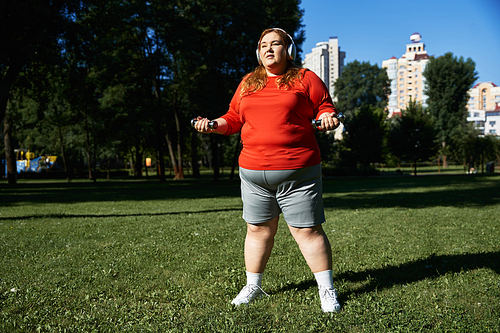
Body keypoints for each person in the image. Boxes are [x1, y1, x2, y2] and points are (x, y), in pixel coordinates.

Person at [193, 28, 341, 313]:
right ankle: (254, 286)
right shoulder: (249, 82)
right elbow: (233, 118)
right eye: (263, 45)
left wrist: (327, 117)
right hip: (253, 173)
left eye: (276, 44)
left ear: (289, 50)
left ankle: (326, 289)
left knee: (307, 231)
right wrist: (213, 124)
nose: (268, 49)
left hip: (297, 171)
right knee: (257, 229)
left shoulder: (305, 78)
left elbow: (324, 107)